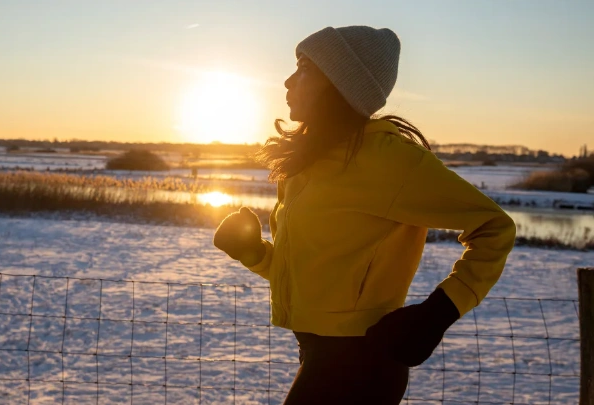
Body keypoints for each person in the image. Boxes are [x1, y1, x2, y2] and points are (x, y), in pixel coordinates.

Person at [213, 26, 517, 404]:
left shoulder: (387, 159)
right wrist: (254, 252)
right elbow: (316, 270)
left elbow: (495, 227)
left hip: (363, 362)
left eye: (304, 67)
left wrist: (439, 312)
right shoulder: (307, 164)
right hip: (317, 355)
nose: (288, 80)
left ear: (338, 83)